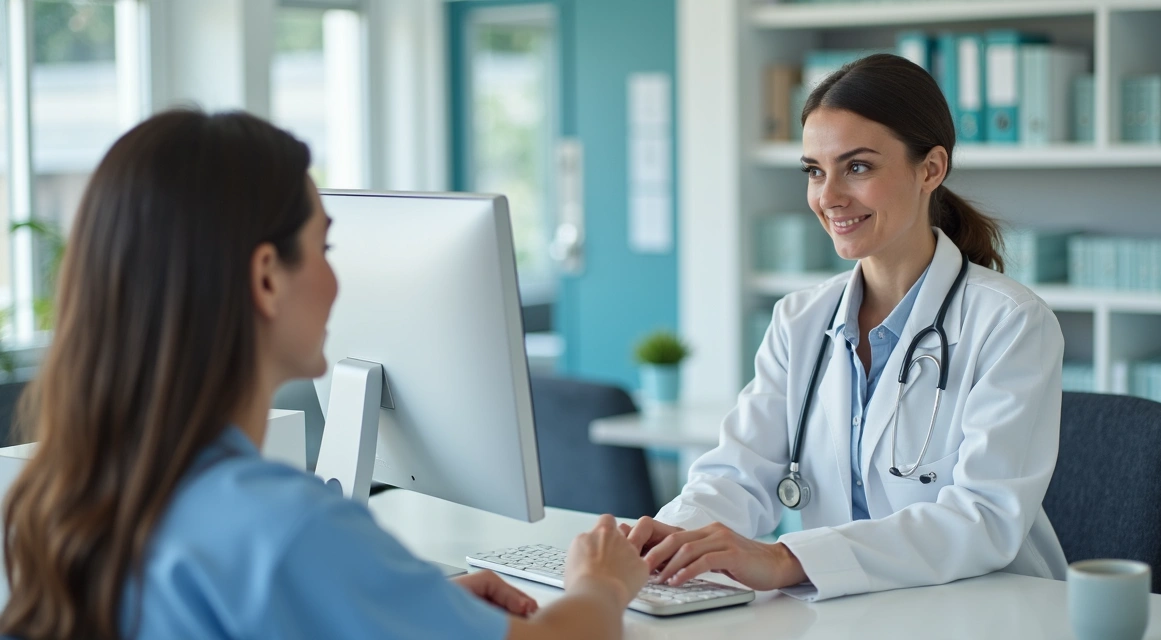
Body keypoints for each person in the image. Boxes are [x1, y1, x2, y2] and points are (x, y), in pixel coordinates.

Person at [0, 109, 647, 640]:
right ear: (266, 278)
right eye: (325, 247)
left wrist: (405, 606)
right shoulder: (290, 529)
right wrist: (600, 583)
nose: (339, 280)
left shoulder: (65, 500)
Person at [623, 53, 1068, 601]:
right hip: (844, 610)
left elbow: (983, 518)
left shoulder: (1011, 323)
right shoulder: (800, 320)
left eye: (857, 167)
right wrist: (667, 540)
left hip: (985, 608)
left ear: (931, 169)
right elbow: (738, 474)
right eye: (814, 170)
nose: (828, 196)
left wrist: (786, 558)